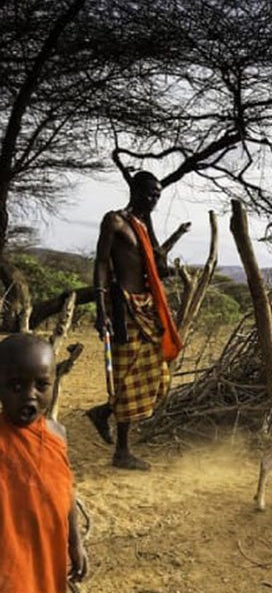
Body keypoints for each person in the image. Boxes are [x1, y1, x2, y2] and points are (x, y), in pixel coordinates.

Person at [0, 334, 89, 593]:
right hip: (7, 559)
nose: (30, 396)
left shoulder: (57, 432)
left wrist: (75, 541)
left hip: (46, 554)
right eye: (15, 385)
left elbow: (64, 491)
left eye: (41, 384)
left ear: (54, 383)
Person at [88, 171, 185, 470]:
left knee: (159, 375)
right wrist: (101, 308)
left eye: (157, 195)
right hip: (123, 308)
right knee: (128, 378)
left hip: (146, 308)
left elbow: (156, 265)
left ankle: (104, 412)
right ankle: (122, 452)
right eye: (149, 193)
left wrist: (175, 243)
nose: (153, 199)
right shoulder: (115, 220)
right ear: (134, 190)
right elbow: (102, 263)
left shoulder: (143, 226)